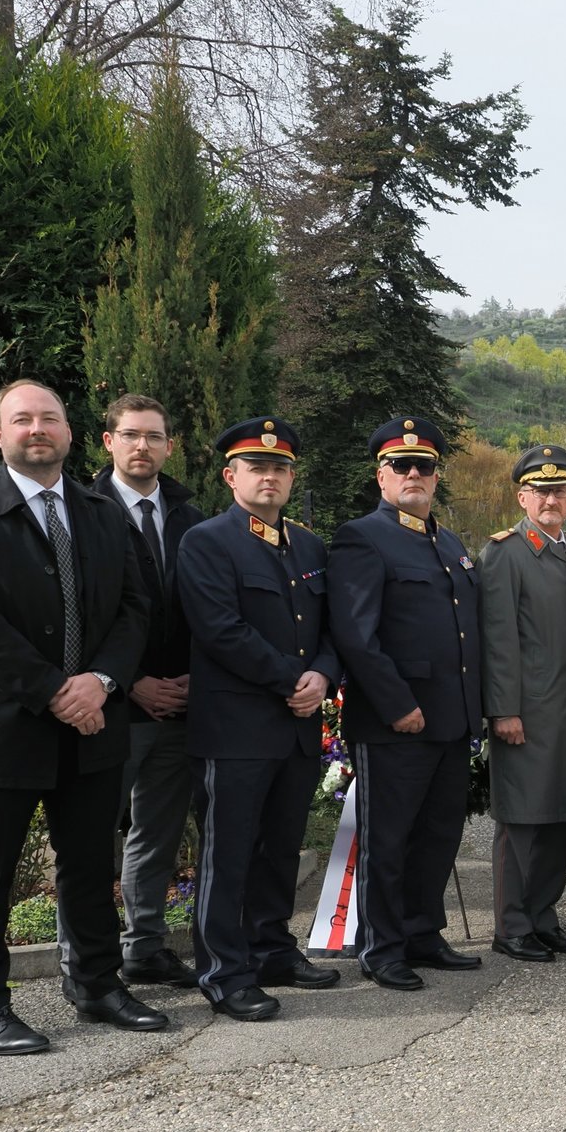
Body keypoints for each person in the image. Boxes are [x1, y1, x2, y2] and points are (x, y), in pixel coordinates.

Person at [0, 379, 162, 1053]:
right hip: (2, 726)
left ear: (69, 432)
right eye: (22, 419)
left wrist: (103, 682)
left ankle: (97, 986)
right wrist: (58, 690)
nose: (38, 429)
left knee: (89, 865)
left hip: (93, 726)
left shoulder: (101, 512)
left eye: (49, 419)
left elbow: (133, 609)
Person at [176, 418, 342, 1020]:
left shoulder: (309, 546)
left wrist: (322, 675)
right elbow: (220, 630)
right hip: (237, 728)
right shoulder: (207, 541)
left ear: (291, 477)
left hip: (297, 725)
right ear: (231, 476)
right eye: (257, 467)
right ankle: (224, 971)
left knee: (280, 848)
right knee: (230, 853)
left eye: (280, 468)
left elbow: (330, 630)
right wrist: (291, 679)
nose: (270, 476)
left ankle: (273, 948)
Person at [329, 416, 485, 992]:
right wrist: (396, 703)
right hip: (396, 721)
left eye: (425, 466)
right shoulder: (362, 537)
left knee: (438, 834)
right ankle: (382, 945)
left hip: (449, 718)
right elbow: (355, 636)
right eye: (401, 465)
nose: (414, 474)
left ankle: (423, 931)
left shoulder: (444, 539)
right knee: (388, 839)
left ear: (437, 475)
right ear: (382, 474)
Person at [92, 393, 207, 990]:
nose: (143, 446)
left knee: (156, 835)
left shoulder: (191, 517)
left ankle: (145, 948)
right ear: (108, 441)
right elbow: (77, 615)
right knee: (88, 840)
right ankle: (86, 961)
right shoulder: (81, 510)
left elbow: (205, 608)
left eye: (154, 436)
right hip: (109, 706)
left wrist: (190, 677)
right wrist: (132, 682)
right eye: (131, 435)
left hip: (179, 706)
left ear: (169, 446)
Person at [480, 444, 566, 963]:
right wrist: (503, 710)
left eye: (560, 490)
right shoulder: (504, 553)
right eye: (540, 491)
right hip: (525, 714)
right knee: (523, 822)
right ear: (522, 496)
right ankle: (511, 925)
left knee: (560, 818)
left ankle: (543, 917)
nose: (551, 499)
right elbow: (498, 638)